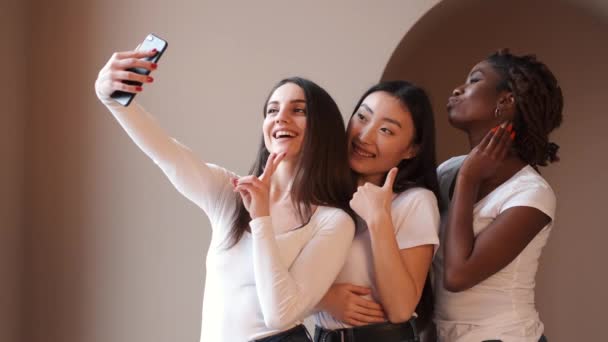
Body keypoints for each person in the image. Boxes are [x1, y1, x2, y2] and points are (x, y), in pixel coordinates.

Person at [94, 48, 357, 342]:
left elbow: (280, 314)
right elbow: (168, 154)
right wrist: (113, 100)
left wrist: (261, 219)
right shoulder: (231, 194)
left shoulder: (333, 222)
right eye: (272, 110)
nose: (281, 118)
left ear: (323, 128)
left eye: (298, 110)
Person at [433, 49, 563, 342]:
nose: (457, 88)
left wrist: (468, 179)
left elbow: (457, 276)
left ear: (505, 101)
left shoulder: (532, 193)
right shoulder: (447, 172)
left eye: (474, 80)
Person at [313, 81, 441, 342]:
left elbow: (401, 308)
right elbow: (272, 279)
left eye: (386, 130)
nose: (365, 136)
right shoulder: (320, 195)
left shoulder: (415, 202)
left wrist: (378, 219)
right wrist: (324, 298)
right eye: (362, 117)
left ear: (411, 149)